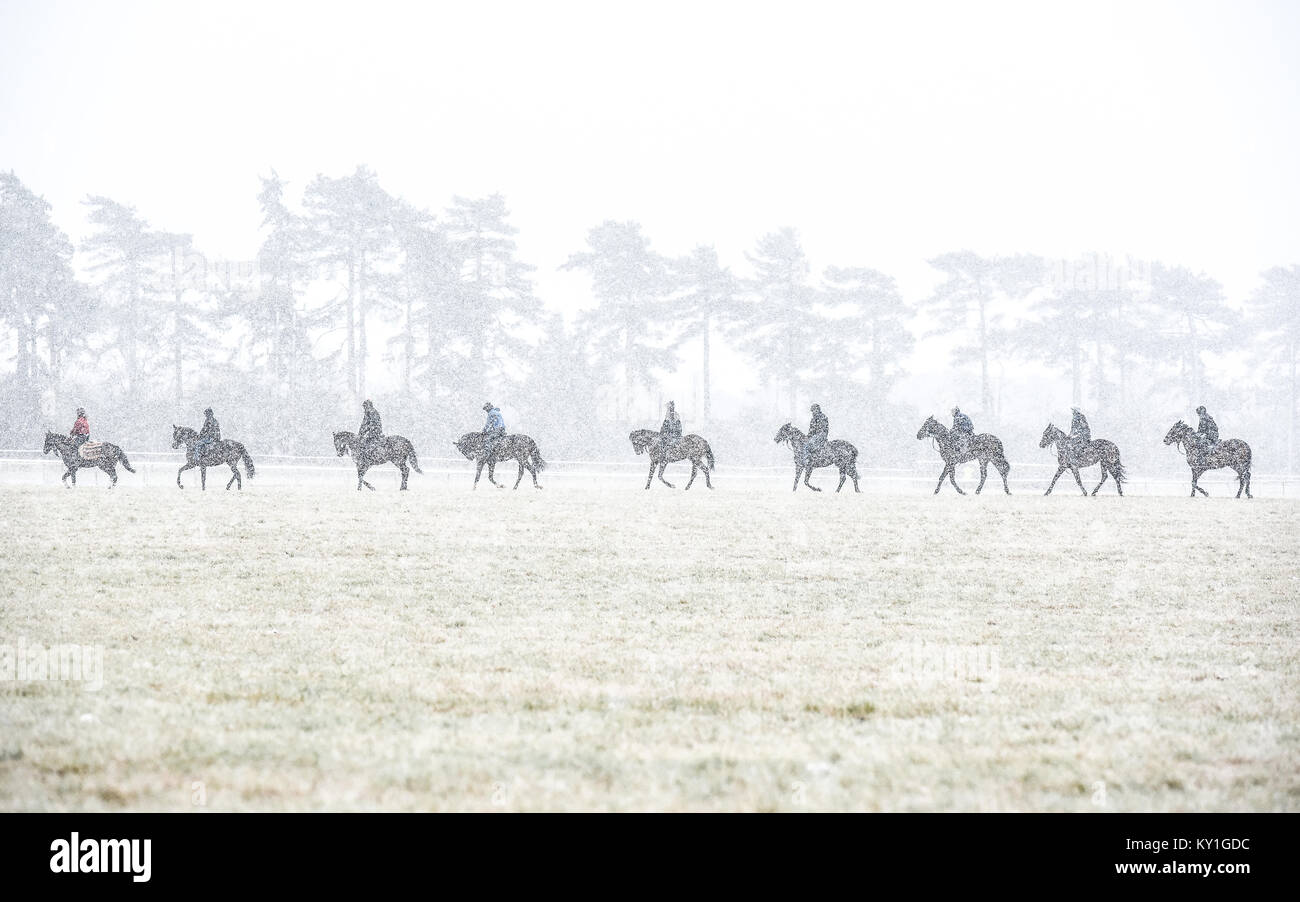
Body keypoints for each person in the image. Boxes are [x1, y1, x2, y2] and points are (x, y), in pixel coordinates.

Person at [804, 403, 829, 468]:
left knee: (808, 444)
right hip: (816, 435)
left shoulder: (822, 417)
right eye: (812, 411)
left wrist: (818, 434)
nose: (813, 412)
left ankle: (808, 459)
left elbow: (823, 428)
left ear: (817, 409)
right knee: (806, 443)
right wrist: (808, 436)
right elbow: (811, 429)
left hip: (821, 434)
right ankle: (809, 457)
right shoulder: (813, 419)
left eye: (814, 410)